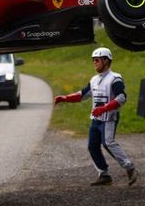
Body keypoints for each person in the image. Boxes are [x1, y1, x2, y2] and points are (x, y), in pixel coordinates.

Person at [54, 47, 138, 186]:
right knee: (92, 146)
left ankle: (130, 167)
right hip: (96, 119)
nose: (94, 63)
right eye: (93, 60)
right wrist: (65, 98)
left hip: (109, 118)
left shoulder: (115, 78)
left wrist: (104, 108)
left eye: (97, 60)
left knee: (108, 143)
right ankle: (103, 174)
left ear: (106, 61)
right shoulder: (94, 79)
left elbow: (122, 97)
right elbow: (82, 94)